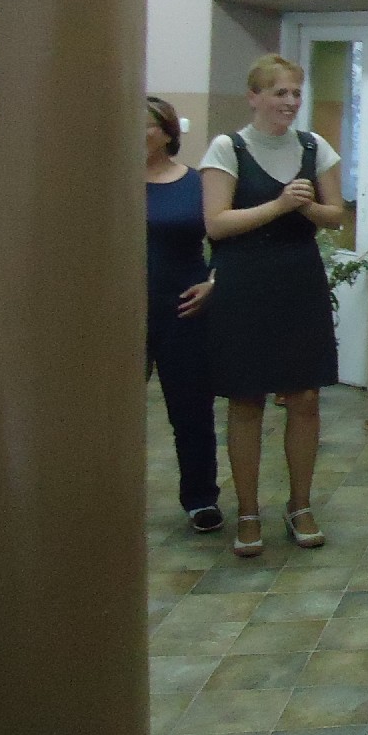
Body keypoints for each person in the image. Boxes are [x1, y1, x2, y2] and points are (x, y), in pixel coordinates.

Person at [201, 55, 346, 557]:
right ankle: (247, 512)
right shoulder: (228, 148)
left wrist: (307, 207)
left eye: (296, 93)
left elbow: (335, 216)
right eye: (280, 93)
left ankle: (300, 505)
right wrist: (279, 205)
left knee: (304, 398)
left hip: (299, 280)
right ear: (254, 97)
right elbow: (217, 223)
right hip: (244, 282)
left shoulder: (314, 147)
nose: (290, 102)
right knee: (246, 400)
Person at [145, 96, 221, 534]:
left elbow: (225, 242)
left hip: (184, 310)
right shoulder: (111, 184)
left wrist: (214, 283)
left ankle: (200, 498)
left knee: (191, 410)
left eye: (146, 125)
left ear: (167, 133)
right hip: (126, 314)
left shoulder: (195, 183)